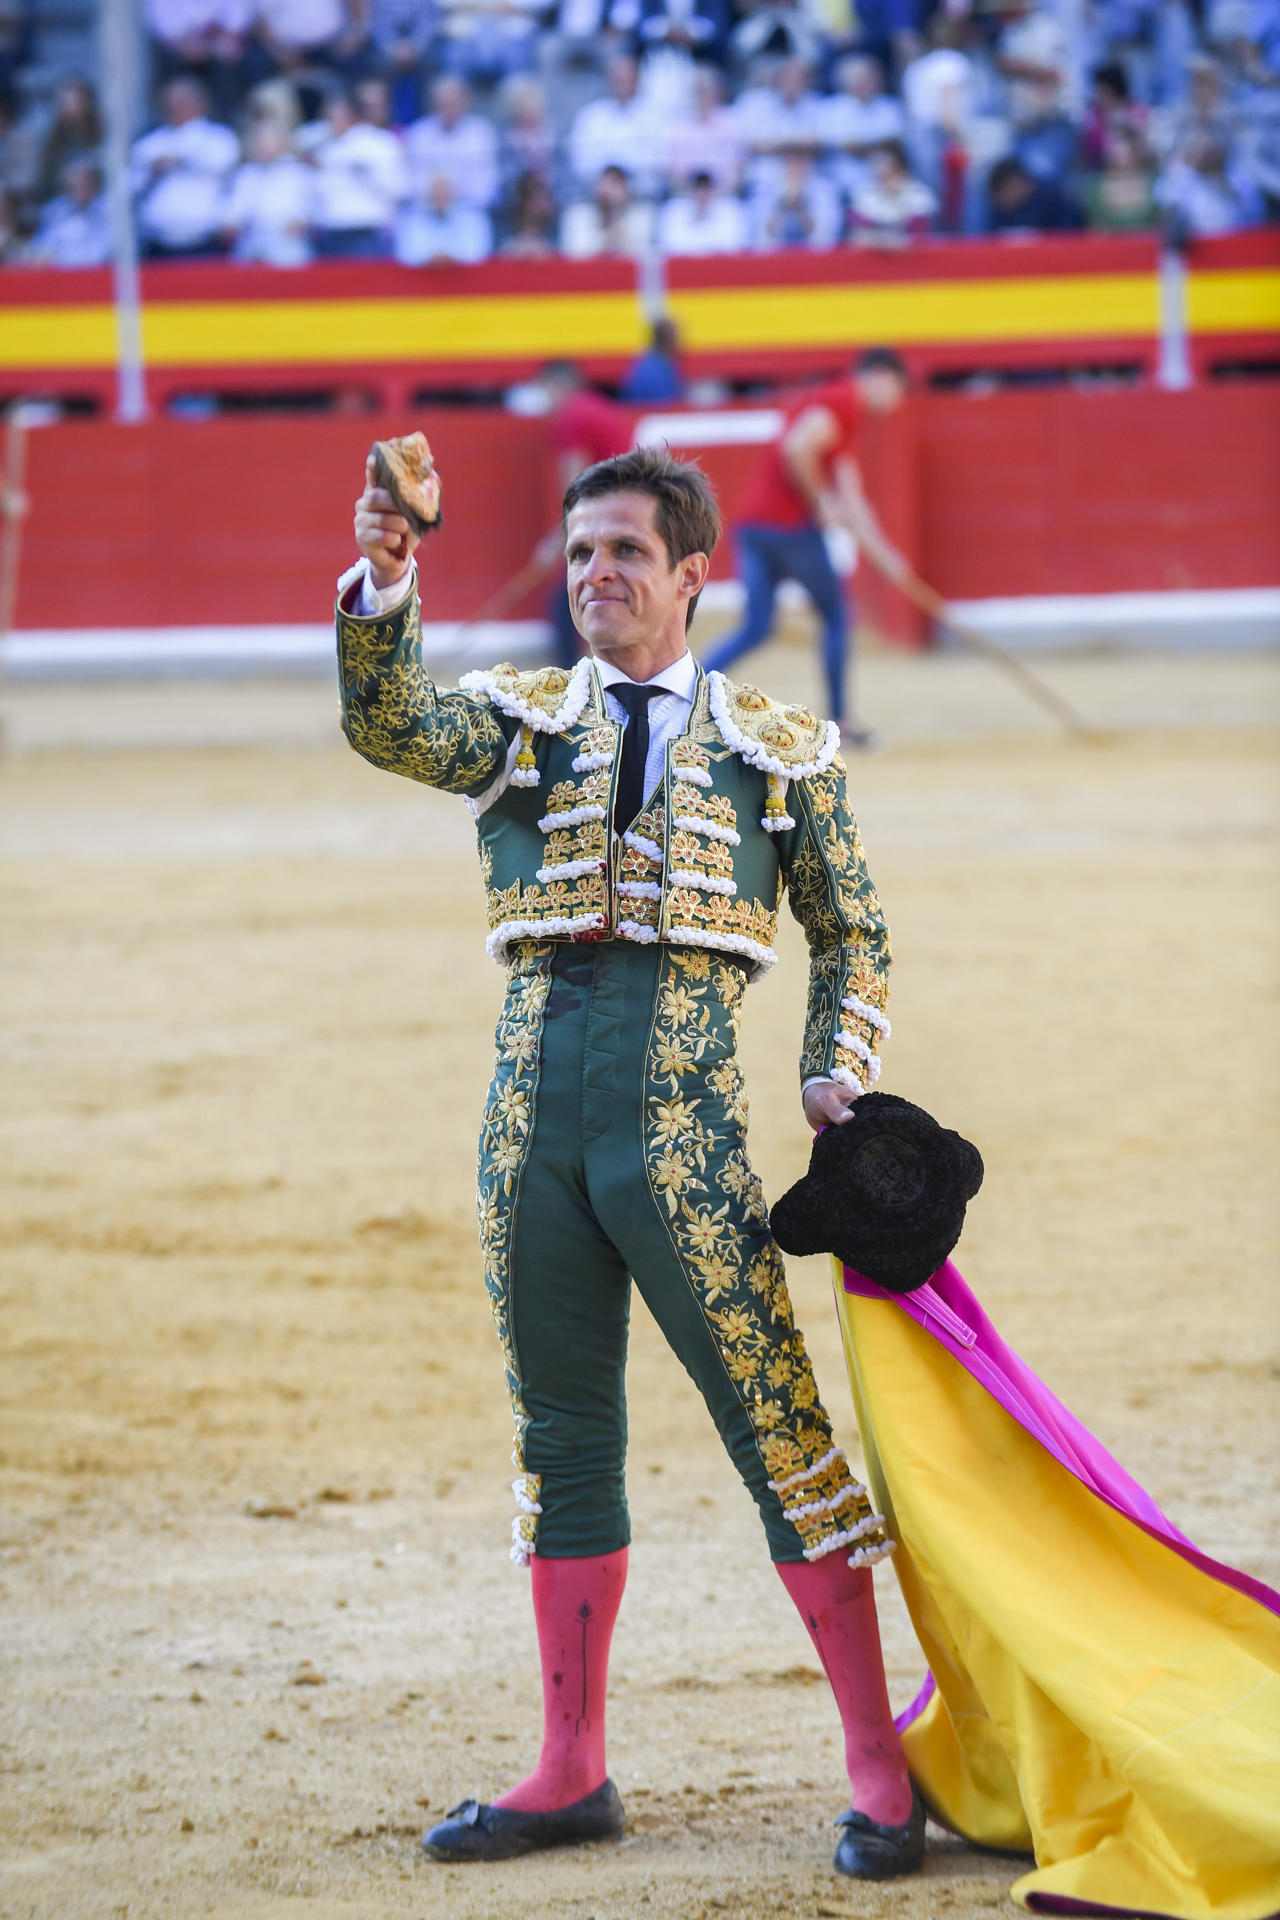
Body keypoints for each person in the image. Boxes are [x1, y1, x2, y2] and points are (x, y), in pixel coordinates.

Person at [336, 441, 923, 1881]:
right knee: (561, 1442)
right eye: (582, 552)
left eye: (627, 556)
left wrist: (833, 1067)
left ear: (693, 577)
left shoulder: (781, 748)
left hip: (687, 1130)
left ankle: (879, 1770)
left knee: (781, 1436)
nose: (598, 576)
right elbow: (391, 722)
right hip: (528, 1126)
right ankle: (571, 1765)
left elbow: (856, 934)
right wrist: (387, 580)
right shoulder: (521, 720)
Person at [701, 346, 910, 745]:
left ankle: (683, 696)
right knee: (835, 614)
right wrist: (818, 501)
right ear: (882, 377)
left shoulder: (841, 413)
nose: (897, 403)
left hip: (755, 527)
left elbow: (852, 498)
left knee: (756, 627)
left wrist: (883, 556)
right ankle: (841, 723)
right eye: (899, 390)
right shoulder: (845, 400)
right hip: (790, 529)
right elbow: (797, 448)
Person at [531, 360, 633, 668]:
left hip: (603, 515)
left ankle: (567, 674)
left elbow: (574, 483)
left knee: (569, 595)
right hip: (622, 512)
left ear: (557, 386)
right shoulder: (596, 408)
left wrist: (563, 535)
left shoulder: (571, 415)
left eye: (546, 391)